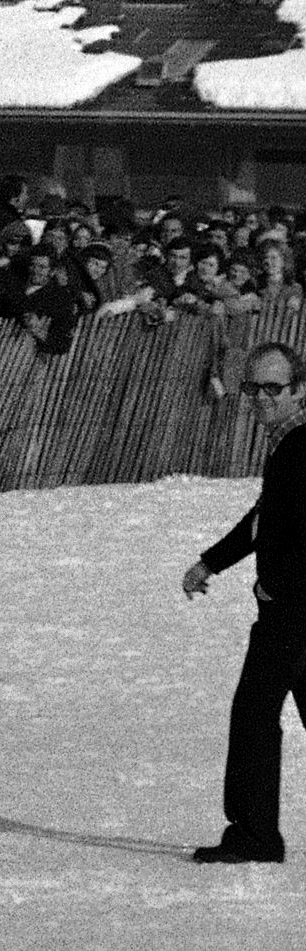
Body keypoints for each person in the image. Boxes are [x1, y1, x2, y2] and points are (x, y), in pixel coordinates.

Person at [187, 340, 306, 863]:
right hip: (292, 609)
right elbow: (264, 521)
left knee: (254, 714)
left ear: (299, 391)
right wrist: (211, 562)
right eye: (253, 388)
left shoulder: (302, 447)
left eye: (273, 389)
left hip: (292, 612)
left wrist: (279, 587)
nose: (261, 398)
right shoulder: (288, 444)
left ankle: (255, 836)